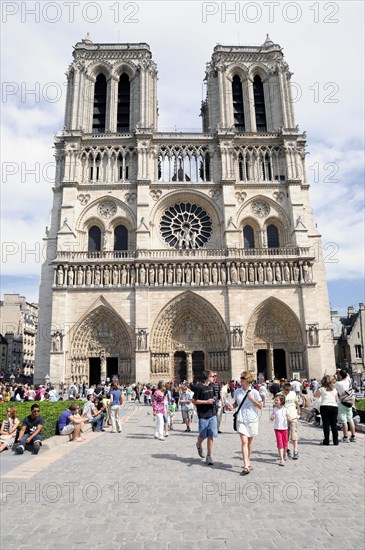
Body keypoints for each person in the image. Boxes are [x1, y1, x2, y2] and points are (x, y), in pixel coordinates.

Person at [228, 371, 262, 475]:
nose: (240, 380)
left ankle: (248, 461)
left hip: (252, 419)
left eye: (242, 379)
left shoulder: (255, 392)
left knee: (250, 443)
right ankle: (246, 465)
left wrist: (252, 400)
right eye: (241, 379)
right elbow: (236, 403)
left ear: (248, 380)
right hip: (241, 419)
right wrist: (231, 406)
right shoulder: (238, 391)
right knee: (244, 442)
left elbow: (260, 406)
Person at [192, 371, 218, 465]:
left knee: (211, 435)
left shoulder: (212, 386)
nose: (214, 377)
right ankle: (198, 444)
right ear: (207, 377)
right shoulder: (199, 387)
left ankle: (209, 456)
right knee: (203, 435)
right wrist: (206, 402)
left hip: (212, 414)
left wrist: (215, 401)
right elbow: (194, 401)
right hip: (203, 415)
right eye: (212, 376)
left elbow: (214, 397)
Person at [314, 375, 339, 446]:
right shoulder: (334, 389)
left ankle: (326, 440)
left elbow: (315, 395)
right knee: (334, 425)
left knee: (326, 425)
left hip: (324, 406)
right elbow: (336, 399)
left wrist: (318, 389)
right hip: (334, 406)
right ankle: (335, 441)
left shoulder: (322, 389)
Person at [278, 383, 301, 460]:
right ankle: (286, 450)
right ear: (283, 389)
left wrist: (298, 409)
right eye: (286, 390)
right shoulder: (280, 395)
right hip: (284, 418)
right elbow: (276, 405)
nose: (287, 392)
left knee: (294, 434)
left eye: (289, 390)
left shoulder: (293, 393)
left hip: (293, 417)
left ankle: (295, 451)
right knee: (285, 436)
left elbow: (296, 402)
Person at [335, 369, 356, 443]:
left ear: (340, 375)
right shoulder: (349, 381)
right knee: (350, 419)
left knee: (344, 421)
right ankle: (353, 436)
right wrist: (341, 371)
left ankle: (345, 437)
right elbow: (347, 376)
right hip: (350, 402)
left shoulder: (338, 384)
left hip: (342, 403)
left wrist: (336, 374)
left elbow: (333, 387)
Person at [270, 394, 292, 466]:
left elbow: (289, 418)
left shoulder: (285, 409)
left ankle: (285, 453)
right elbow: (271, 418)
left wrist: (289, 419)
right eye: (275, 400)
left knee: (285, 444)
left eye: (277, 400)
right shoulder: (274, 409)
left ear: (281, 401)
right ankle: (281, 459)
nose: (275, 401)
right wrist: (272, 417)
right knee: (280, 444)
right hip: (277, 429)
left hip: (285, 428)